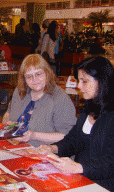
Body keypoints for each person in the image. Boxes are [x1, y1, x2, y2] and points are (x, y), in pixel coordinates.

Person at [39, 56, 114, 191]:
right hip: (81, 180)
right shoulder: (89, 108)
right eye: (79, 81)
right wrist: (53, 148)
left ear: (102, 82)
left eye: (84, 81)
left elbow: (111, 162)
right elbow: (74, 140)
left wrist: (79, 167)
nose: (79, 86)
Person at [2, 54, 76, 147]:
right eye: (29, 76)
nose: (34, 80)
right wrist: (6, 122)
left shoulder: (60, 98)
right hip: (15, 146)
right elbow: (8, 112)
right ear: (24, 79)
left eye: (38, 74)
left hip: (45, 151)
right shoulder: (20, 91)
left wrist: (34, 135)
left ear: (47, 73)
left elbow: (67, 135)